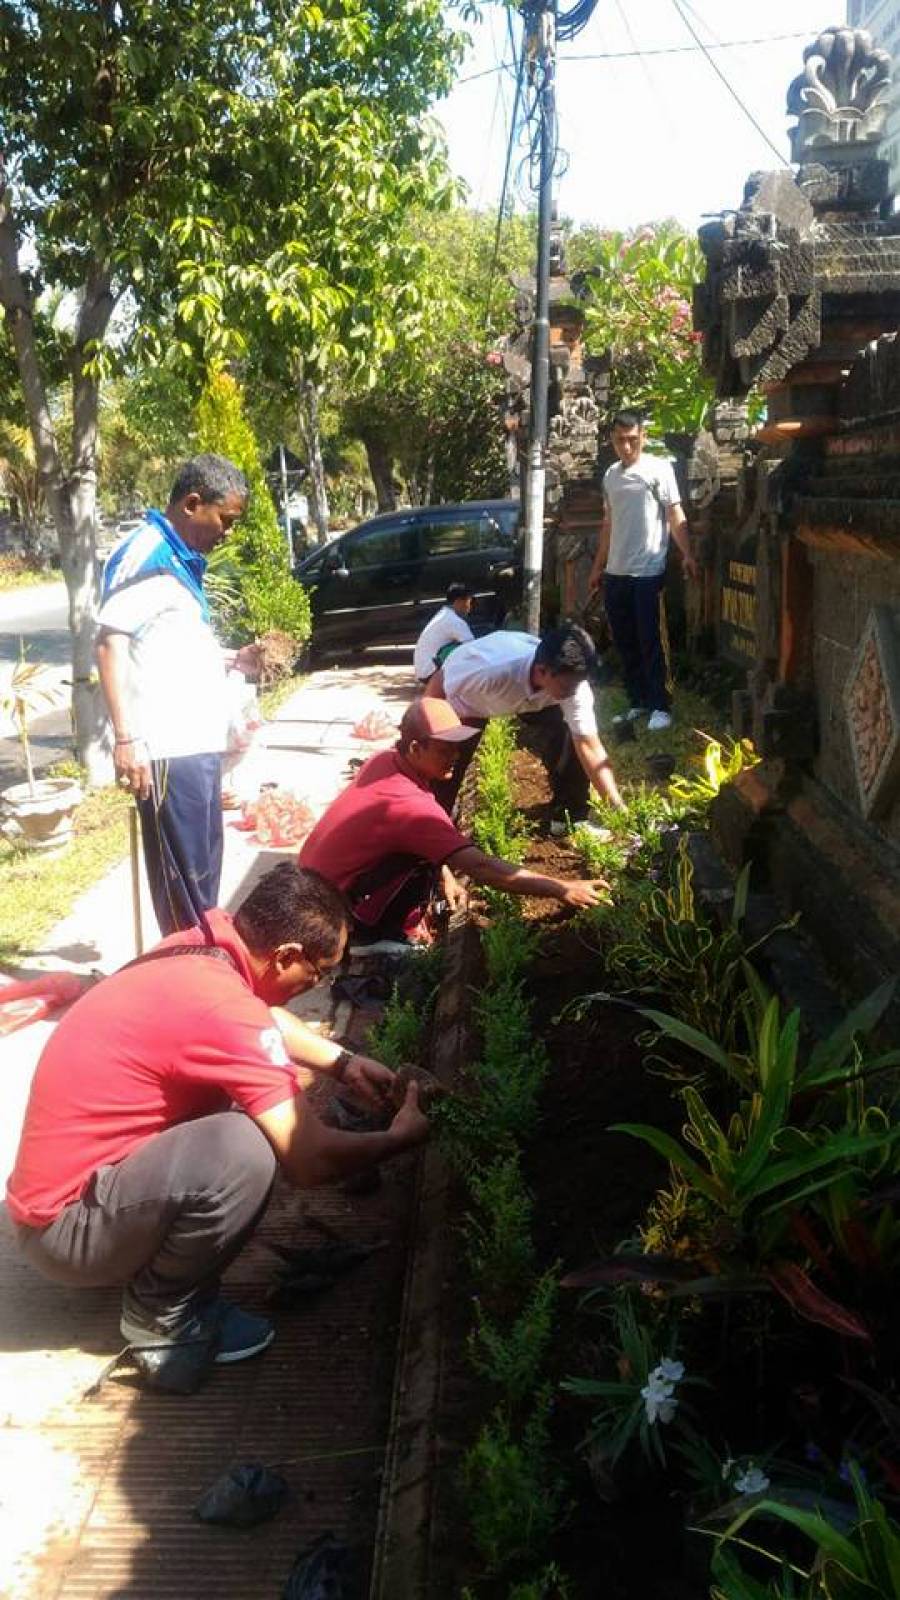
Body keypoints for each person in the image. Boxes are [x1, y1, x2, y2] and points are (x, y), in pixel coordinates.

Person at [6, 863, 427, 1392]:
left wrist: (342, 1063)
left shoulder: (199, 947)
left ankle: (152, 1257)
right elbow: (309, 1159)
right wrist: (395, 1141)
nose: (315, 986)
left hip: (67, 1199)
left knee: (243, 1112)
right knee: (244, 1147)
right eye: (318, 973)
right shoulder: (222, 1008)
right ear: (286, 956)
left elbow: (256, 1015)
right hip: (68, 1234)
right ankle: (162, 1318)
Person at [96, 454, 257, 937]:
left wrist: (233, 658)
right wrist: (126, 740)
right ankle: (187, 964)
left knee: (203, 880)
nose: (227, 532)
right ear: (192, 504)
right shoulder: (147, 555)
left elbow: (171, 645)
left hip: (197, 746)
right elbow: (110, 642)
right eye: (225, 519)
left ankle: (204, 957)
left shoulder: (180, 560)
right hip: (166, 749)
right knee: (182, 887)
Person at [299, 697, 608, 946]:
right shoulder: (410, 805)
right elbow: (481, 867)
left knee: (429, 855)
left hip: (310, 889)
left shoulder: (385, 760)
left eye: (457, 747)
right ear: (415, 748)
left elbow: (421, 839)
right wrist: (562, 888)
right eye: (444, 749)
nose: (456, 755)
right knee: (425, 861)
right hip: (330, 912)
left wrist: (444, 875)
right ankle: (375, 937)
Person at [424, 621, 625, 830]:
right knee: (444, 768)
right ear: (542, 670)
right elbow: (437, 687)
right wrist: (428, 733)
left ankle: (568, 816)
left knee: (570, 735)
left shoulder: (572, 687)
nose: (573, 692)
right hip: (468, 706)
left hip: (531, 700)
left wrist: (617, 808)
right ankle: (435, 826)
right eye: (567, 686)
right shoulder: (489, 671)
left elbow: (589, 746)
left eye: (577, 685)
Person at [587, 410, 698, 734]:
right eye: (620, 440)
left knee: (652, 640)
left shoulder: (658, 469)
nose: (626, 447)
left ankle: (661, 705)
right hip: (616, 571)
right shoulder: (611, 476)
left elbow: (674, 514)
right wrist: (598, 567)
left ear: (643, 437)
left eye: (632, 440)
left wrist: (687, 553)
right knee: (625, 640)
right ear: (612, 440)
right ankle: (638, 701)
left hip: (648, 570)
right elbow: (608, 524)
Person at [413, 581, 475, 684]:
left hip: (423, 671)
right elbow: (472, 648)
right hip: (431, 673)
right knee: (467, 652)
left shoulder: (444, 614)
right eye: (468, 602)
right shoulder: (454, 621)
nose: (469, 607)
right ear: (459, 602)